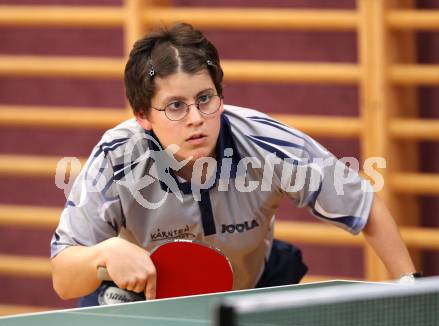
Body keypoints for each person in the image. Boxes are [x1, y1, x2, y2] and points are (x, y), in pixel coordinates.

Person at [50, 23, 417, 307]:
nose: (195, 117)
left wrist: (412, 291)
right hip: (144, 300)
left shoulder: (268, 146)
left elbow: (364, 207)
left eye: (205, 99)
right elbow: (64, 279)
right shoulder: (116, 159)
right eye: (176, 106)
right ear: (143, 115)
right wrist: (104, 252)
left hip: (253, 290)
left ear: (220, 97)